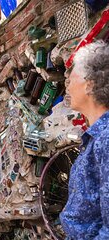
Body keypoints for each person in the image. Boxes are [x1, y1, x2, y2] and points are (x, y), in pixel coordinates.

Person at [60, 40, 109, 239]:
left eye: (71, 80)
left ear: (89, 85)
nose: (68, 87)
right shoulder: (96, 136)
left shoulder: (105, 138)